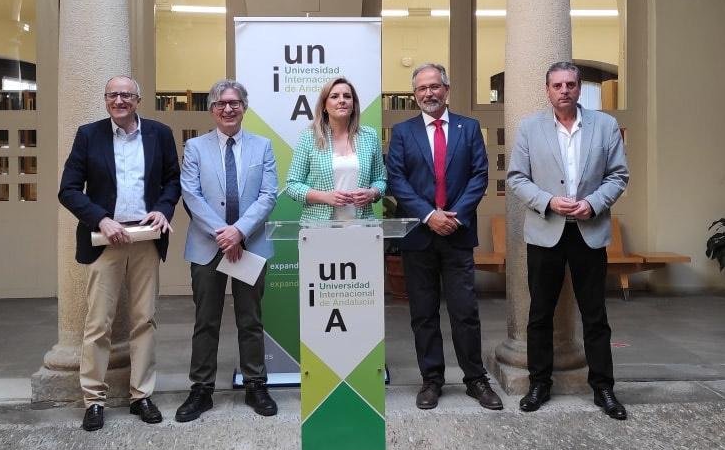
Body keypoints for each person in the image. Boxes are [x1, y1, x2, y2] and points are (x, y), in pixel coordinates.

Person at [506, 61, 630, 419]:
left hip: (589, 232)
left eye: (571, 84)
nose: (564, 90)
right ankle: (539, 383)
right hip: (546, 231)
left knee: (595, 315)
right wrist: (547, 201)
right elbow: (516, 178)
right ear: (548, 90)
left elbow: (618, 175)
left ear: (579, 89)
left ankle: (603, 387)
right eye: (557, 85)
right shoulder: (530, 128)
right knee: (540, 314)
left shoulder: (604, 125)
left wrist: (593, 204)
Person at [59, 75, 180, 432]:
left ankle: (141, 395)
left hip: (145, 238)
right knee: (99, 323)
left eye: (126, 94)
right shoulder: (88, 135)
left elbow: (173, 180)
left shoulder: (159, 133)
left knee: (145, 320)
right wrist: (101, 219)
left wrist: (163, 208)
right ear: (105, 99)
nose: (119, 100)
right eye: (112, 94)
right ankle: (94, 400)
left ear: (138, 99)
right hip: (106, 240)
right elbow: (67, 189)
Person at [386, 63, 503, 411]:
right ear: (414, 95)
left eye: (435, 87)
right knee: (423, 312)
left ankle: (475, 380)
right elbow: (397, 179)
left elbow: (479, 176)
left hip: (457, 232)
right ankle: (431, 380)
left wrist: (454, 216)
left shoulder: (469, 129)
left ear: (447, 90)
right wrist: (429, 215)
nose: (429, 94)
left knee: (465, 311)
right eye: (422, 89)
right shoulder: (403, 132)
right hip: (419, 236)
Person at [175, 79, 279, 421]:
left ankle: (255, 384)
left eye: (234, 103)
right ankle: (201, 390)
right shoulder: (195, 147)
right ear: (212, 110)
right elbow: (191, 194)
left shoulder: (262, 147)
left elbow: (268, 195)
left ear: (244, 108)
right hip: (208, 246)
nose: (228, 108)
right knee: (206, 321)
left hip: (250, 244)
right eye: (220, 103)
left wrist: (239, 231)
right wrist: (223, 233)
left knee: (251, 320)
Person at [285, 77, 386, 221]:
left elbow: (380, 180)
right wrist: (325, 197)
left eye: (347, 96)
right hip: (318, 227)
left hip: (362, 227)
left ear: (353, 104)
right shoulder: (309, 137)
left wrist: (372, 193)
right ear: (324, 106)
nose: (342, 100)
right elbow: (292, 185)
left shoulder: (369, 136)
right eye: (334, 96)